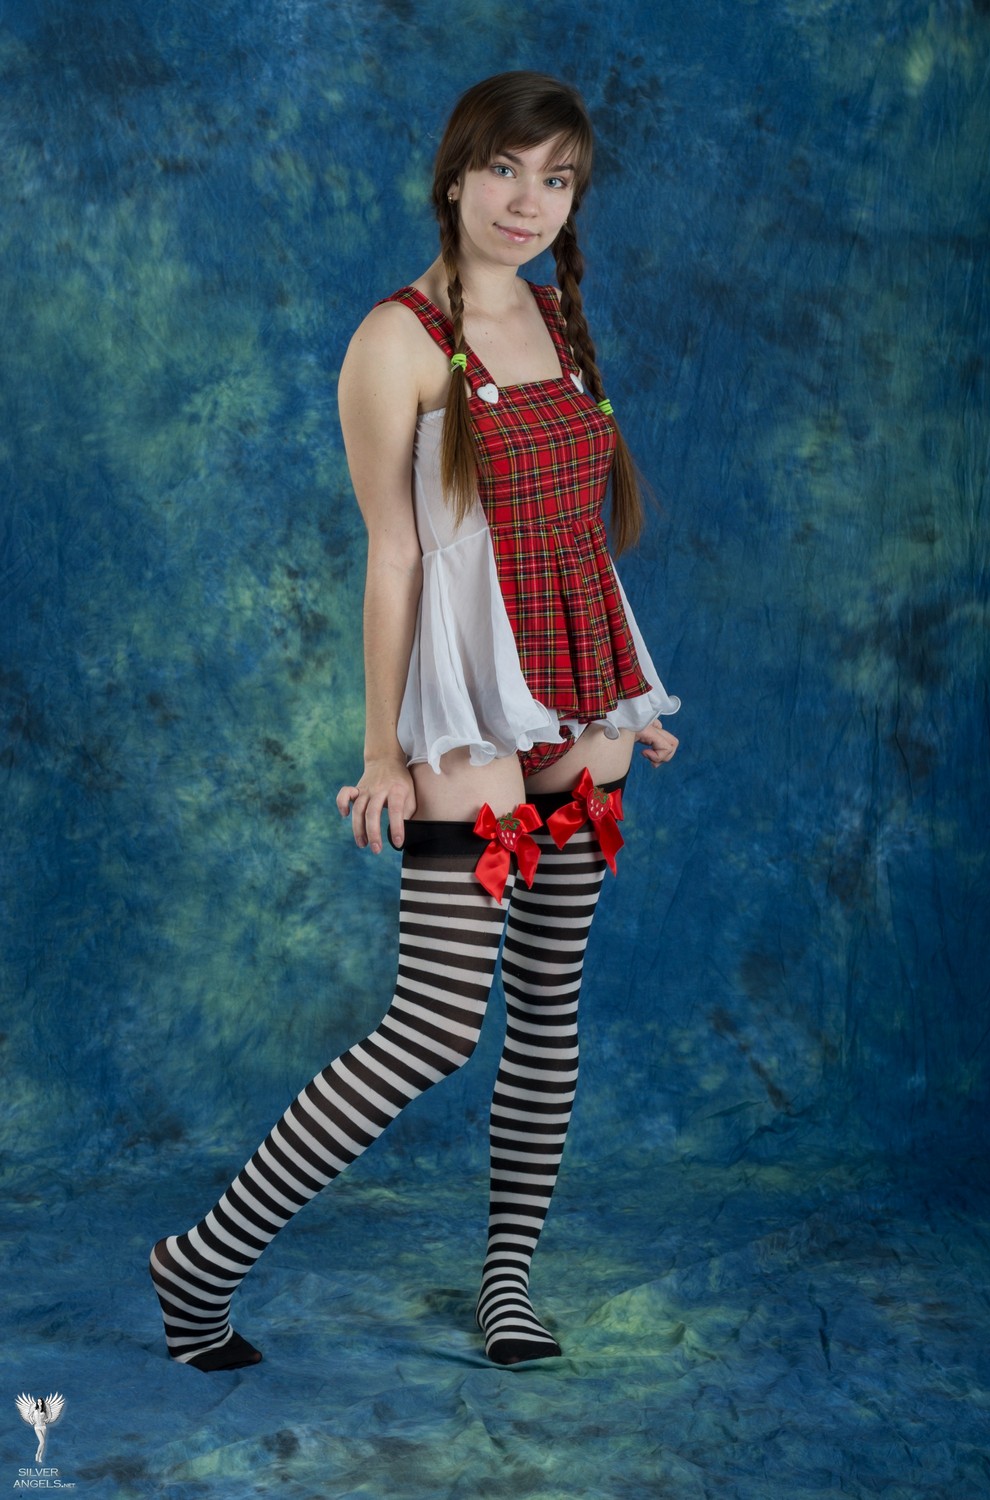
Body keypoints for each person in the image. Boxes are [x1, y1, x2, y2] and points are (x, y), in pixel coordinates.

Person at [150, 70, 680, 1373]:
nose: (528, 202)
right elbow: (395, 556)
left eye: (557, 180)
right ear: (455, 175)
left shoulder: (556, 313)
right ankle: (198, 1262)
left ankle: (507, 1286)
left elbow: (570, 536)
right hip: (465, 705)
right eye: (507, 170)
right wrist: (384, 750)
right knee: (437, 1024)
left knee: (547, 1008)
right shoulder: (394, 342)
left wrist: (625, 688)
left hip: (579, 704)